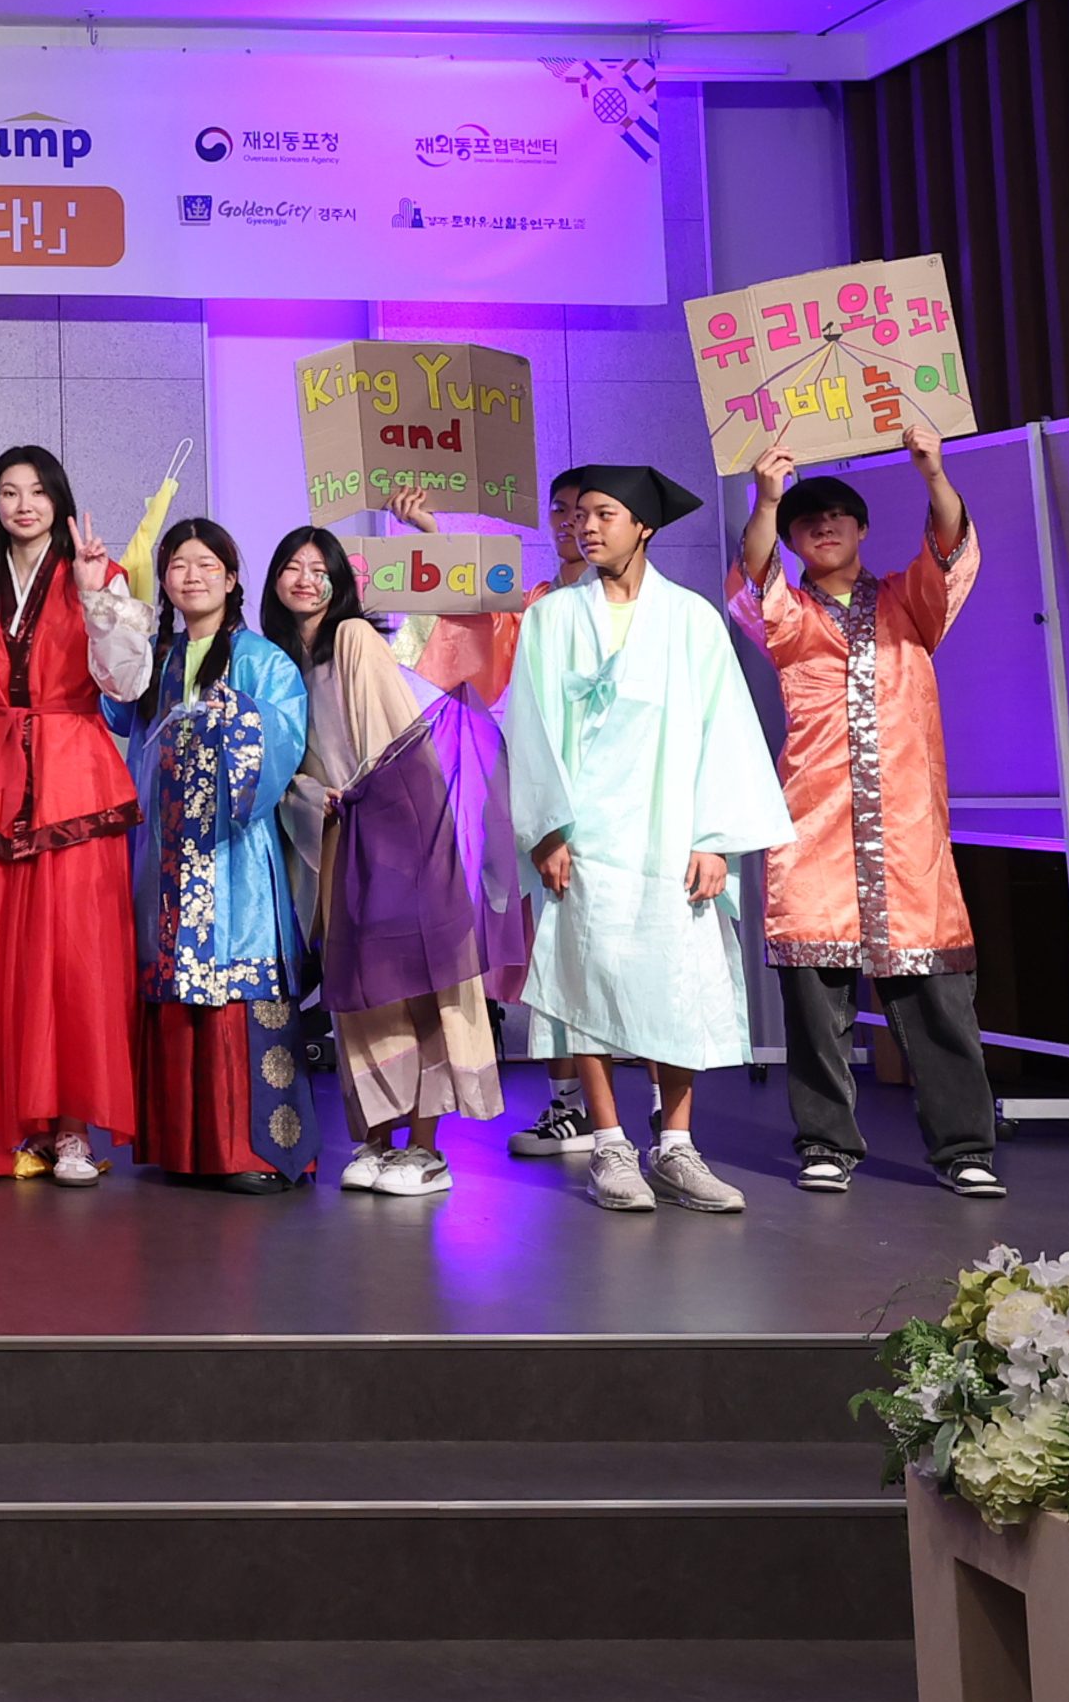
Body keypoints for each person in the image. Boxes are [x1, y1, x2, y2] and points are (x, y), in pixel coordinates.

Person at [502, 464, 794, 1215]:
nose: (587, 527)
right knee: (585, 978)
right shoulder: (552, 619)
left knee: (677, 978)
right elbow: (529, 726)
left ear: (644, 526)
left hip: (670, 828)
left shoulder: (691, 619)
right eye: (581, 516)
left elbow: (725, 726)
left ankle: (677, 1146)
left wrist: (714, 837)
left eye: (606, 514)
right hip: (585, 834)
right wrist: (547, 829)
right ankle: (608, 1144)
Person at [734, 427, 1000, 1197]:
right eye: (806, 522)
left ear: (861, 528)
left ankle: (965, 1148)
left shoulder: (908, 603)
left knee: (936, 994)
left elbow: (950, 552)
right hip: (816, 829)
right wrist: (767, 500)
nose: (823, 527)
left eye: (837, 517)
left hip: (907, 831)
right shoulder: (788, 618)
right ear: (793, 541)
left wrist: (934, 474)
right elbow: (752, 580)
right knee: (816, 1001)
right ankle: (825, 1142)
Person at [266, 525, 503, 1198]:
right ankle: (376, 1138)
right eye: (292, 566)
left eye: (319, 568)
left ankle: (425, 1149)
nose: (305, 579)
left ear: (340, 581)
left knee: (416, 984)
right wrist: (313, 794)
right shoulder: (283, 663)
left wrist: (365, 808)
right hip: (341, 833)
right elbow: (297, 771)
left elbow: (391, 747)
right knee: (361, 997)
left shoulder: (352, 638)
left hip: (396, 828)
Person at [0, 448, 151, 1183]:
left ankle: (71, 1129)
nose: (23, 504)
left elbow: (124, 684)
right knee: (1, 953)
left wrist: (97, 600)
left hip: (77, 779)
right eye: (8, 492)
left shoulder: (99, 577)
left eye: (36, 491)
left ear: (59, 501)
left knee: (75, 956)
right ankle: (10, 1120)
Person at [107, 518, 314, 1191]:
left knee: (238, 986)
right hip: (166, 854)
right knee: (173, 989)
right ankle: (183, 1147)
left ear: (230, 578)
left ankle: (254, 1152)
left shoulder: (261, 659)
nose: (191, 577)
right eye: (178, 566)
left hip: (235, 858)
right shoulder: (158, 659)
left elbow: (284, 738)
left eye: (206, 565)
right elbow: (115, 712)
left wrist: (241, 719)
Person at [401, 472, 595, 1160]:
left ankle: (666, 1121)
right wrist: (433, 535)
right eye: (562, 511)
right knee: (552, 953)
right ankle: (570, 1106)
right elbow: (475, 623)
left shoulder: (644, 611)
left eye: (590, 512)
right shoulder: (535, 603)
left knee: (635, 952)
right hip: (546, 796)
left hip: (624, 795)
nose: (574, 523)